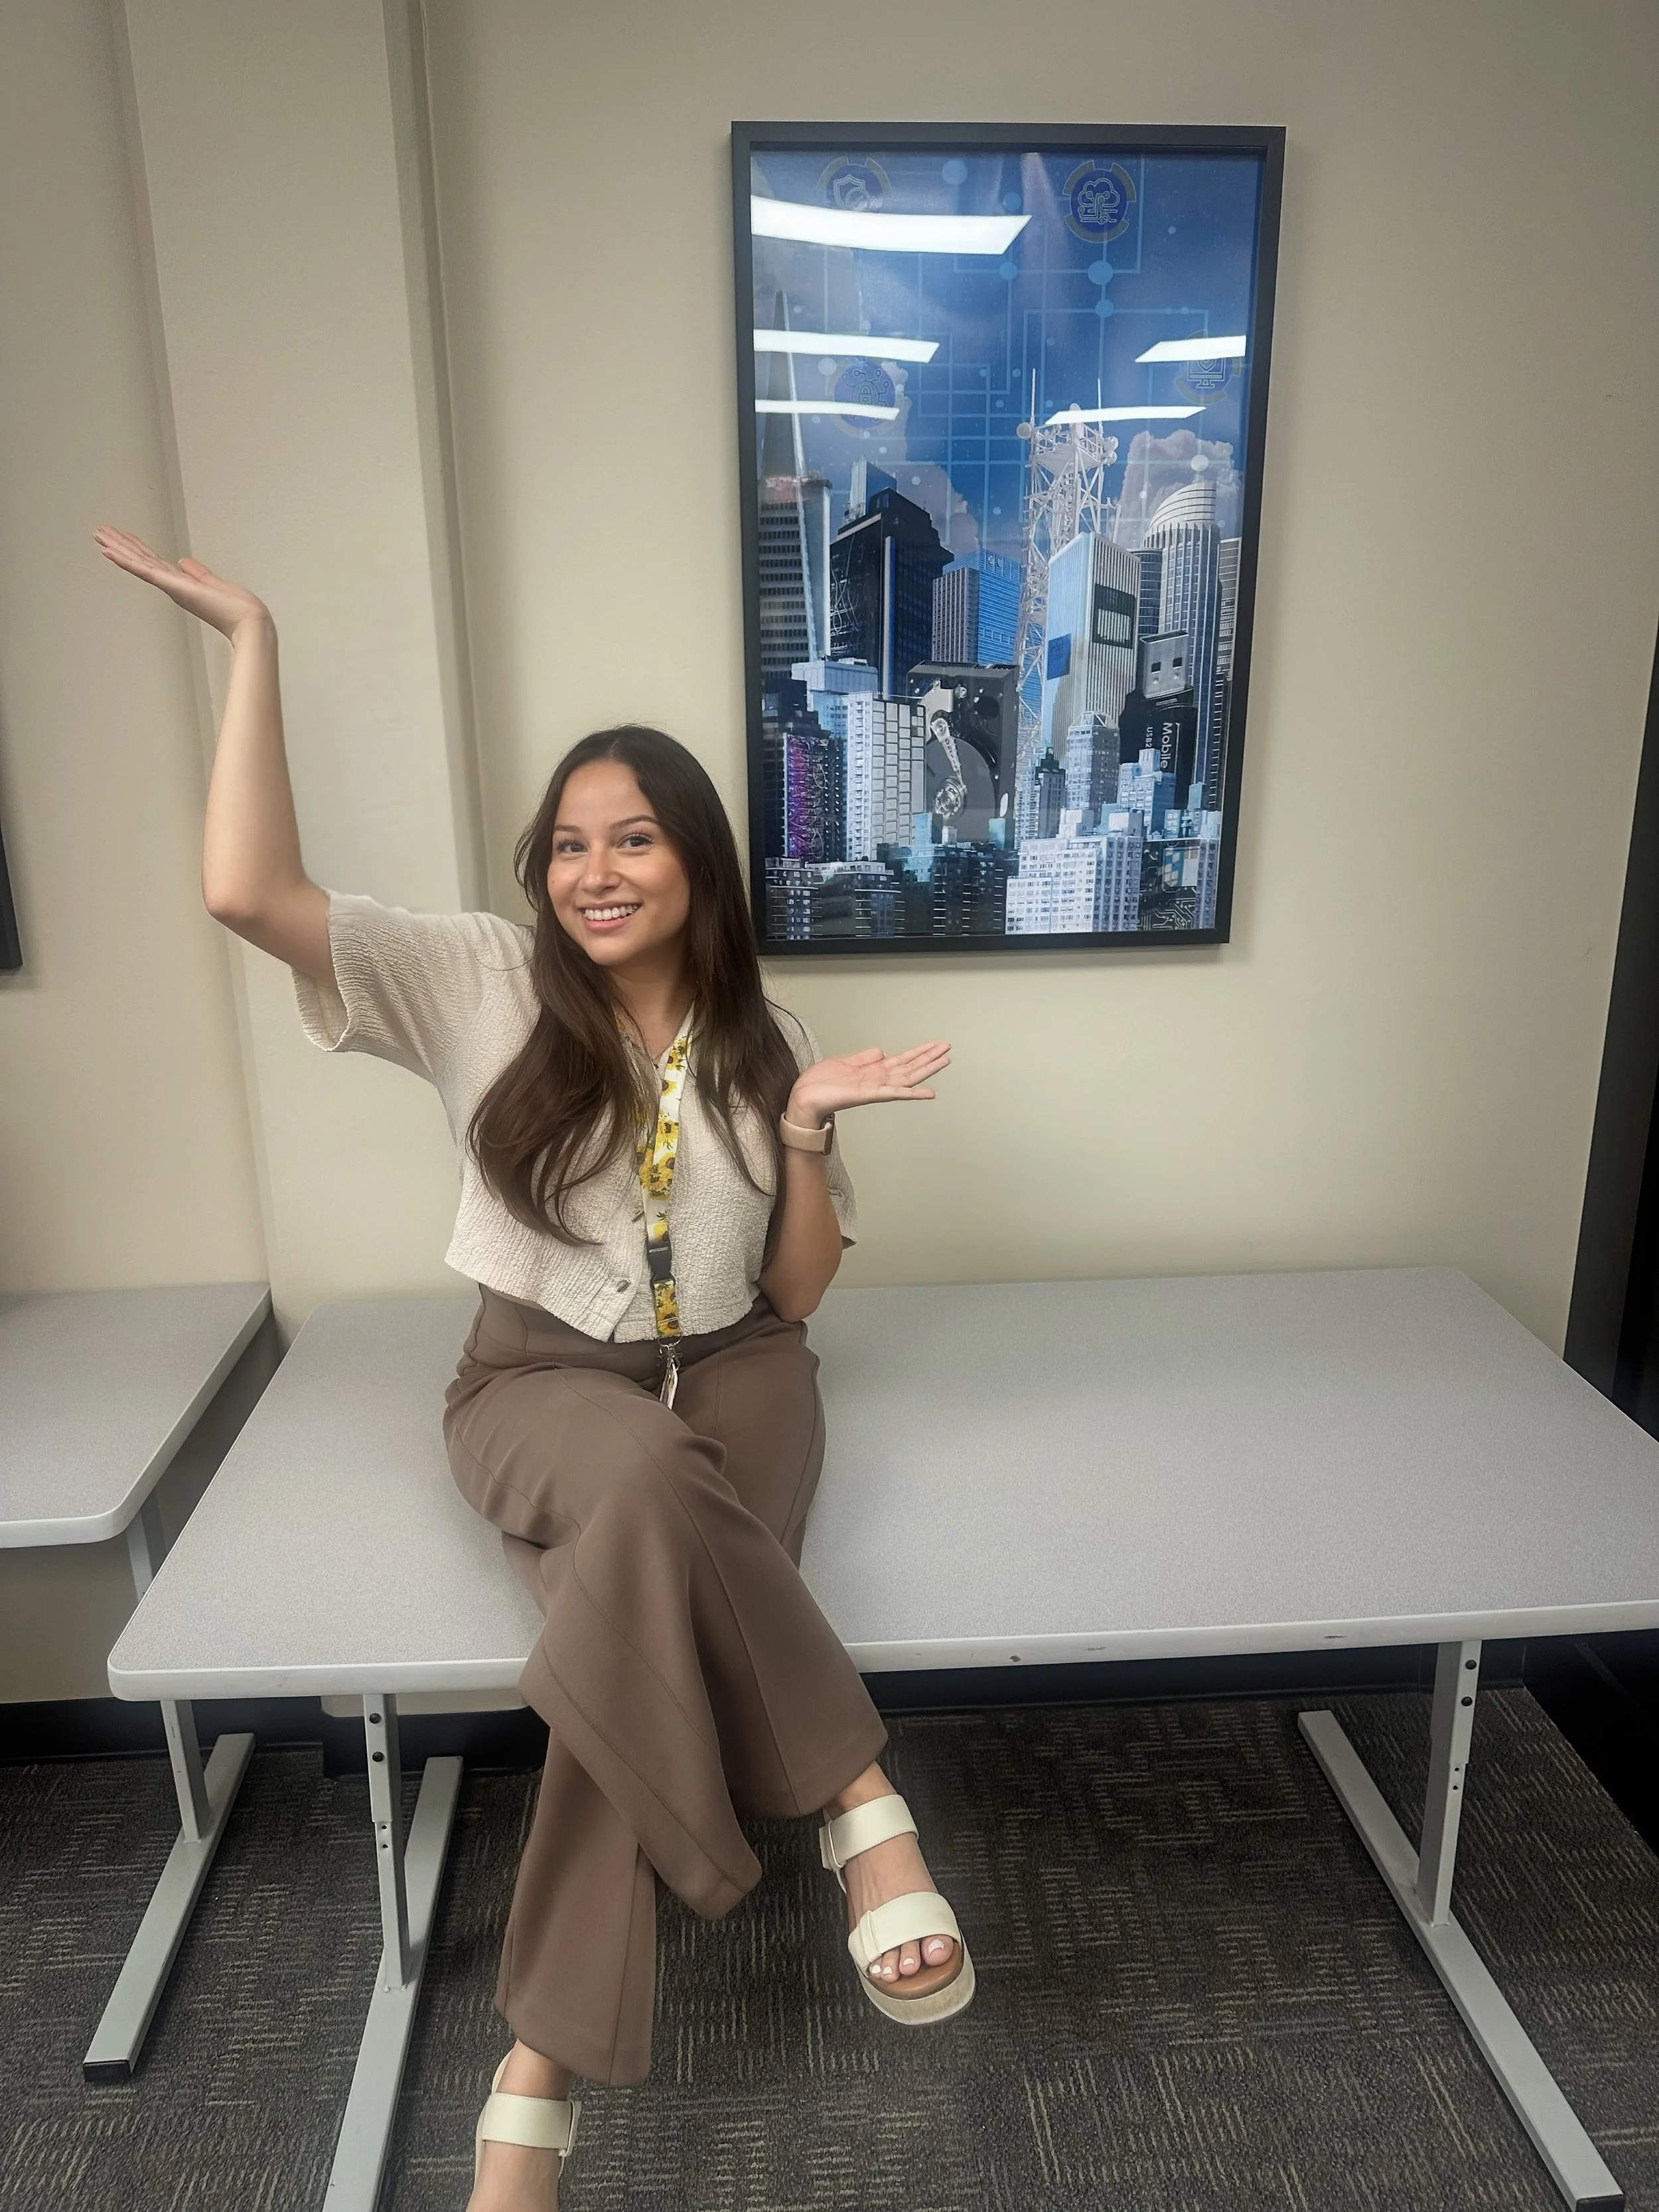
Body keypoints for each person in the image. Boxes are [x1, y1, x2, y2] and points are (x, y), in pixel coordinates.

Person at [94, 526, 975, 2211]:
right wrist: (252, 640)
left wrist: (796, 1133)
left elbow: (796, 1294)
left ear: (698, 866)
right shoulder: (475, 980)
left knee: (622, 1610)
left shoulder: (758, 1040)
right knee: (644, 1490)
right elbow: (242, 892)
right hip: (534, 1389)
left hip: (740, 1366)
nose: (592, 870)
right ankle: (861, 1808)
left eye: (632, 838)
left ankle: (534, 2072)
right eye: (566, 844)